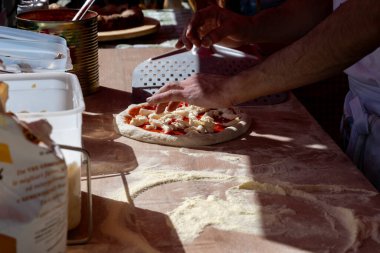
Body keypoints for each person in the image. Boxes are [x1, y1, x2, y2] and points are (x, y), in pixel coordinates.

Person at [146, 0, 380, 190]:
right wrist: (250, 27)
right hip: (364, 115)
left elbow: (369, 17)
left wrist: (229, 89)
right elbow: (319, 5)